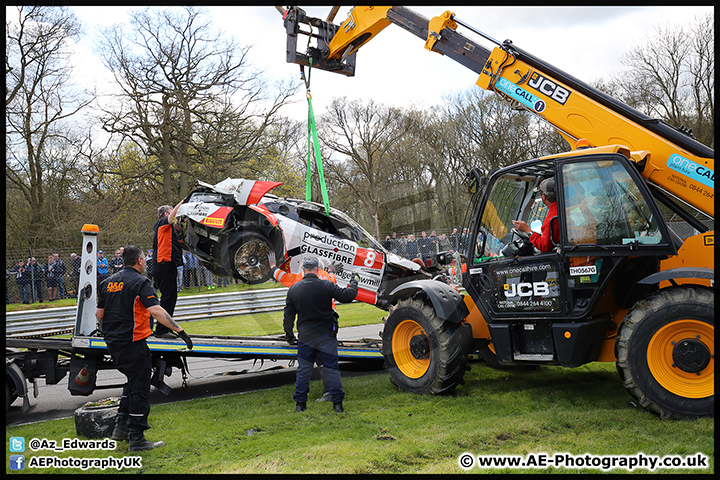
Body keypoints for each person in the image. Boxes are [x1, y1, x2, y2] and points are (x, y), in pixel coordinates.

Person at [96, 245, 193, 452]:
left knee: (132, 382)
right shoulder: (140, 282)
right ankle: (137, 439)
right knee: (140, 388)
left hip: (113, 343)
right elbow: (156, 311)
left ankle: (120, 428)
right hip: (133, 343)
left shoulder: (107, 283)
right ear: (140, 261)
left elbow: (99, 314)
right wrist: (180, 331)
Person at [283, 256, 359, 413]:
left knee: (304, 371)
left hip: (306, 337)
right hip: (326, 335)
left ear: (303, 269)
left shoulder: (294, 289)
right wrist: (354, 281)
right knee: (332, 369)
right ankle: (337, 405)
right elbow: (348, 296)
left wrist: (289, 335)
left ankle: (300, 405)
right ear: (318, 269)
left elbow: (288, 317)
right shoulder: (326, 285)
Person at [152, 200, 184, 336]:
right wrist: (182, 203)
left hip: (165, 265)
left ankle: (164, 327)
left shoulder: (167, 229)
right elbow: (171, 218)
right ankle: (162, 329)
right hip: (164, 264)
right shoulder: (162, 223)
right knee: (168, 297)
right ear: (165, 214)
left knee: (169, 297)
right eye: (171, 212)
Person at [512, 178, 559, 253]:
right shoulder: (561, 208)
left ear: (543, 196)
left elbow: (544, 246)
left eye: (540, 194)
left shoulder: (552, 217)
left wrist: (527, 230)